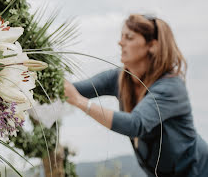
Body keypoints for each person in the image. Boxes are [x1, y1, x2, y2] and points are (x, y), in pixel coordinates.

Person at [64, 14, 208, 177]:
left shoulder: (171, 87)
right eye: (121, 37)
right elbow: (73, 89)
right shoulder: (118, 79)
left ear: (152, 46)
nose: (120, 42)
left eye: (129, 37)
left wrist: (80, 102)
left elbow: (135, 124)